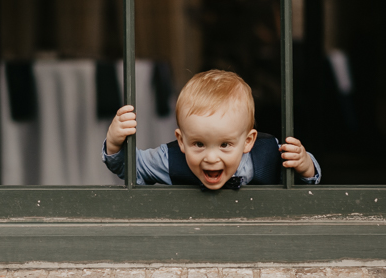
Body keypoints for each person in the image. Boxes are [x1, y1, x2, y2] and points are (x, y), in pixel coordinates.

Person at [102, 70, 320, 189]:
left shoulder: (267, 155)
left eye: (225, 145)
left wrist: (305, 165)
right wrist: (114, 144)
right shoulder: (171, 160)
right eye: (199, 144)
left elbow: (302, 185)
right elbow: (132, 169)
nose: (211, 157)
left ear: (248, 141)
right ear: (181, 140)